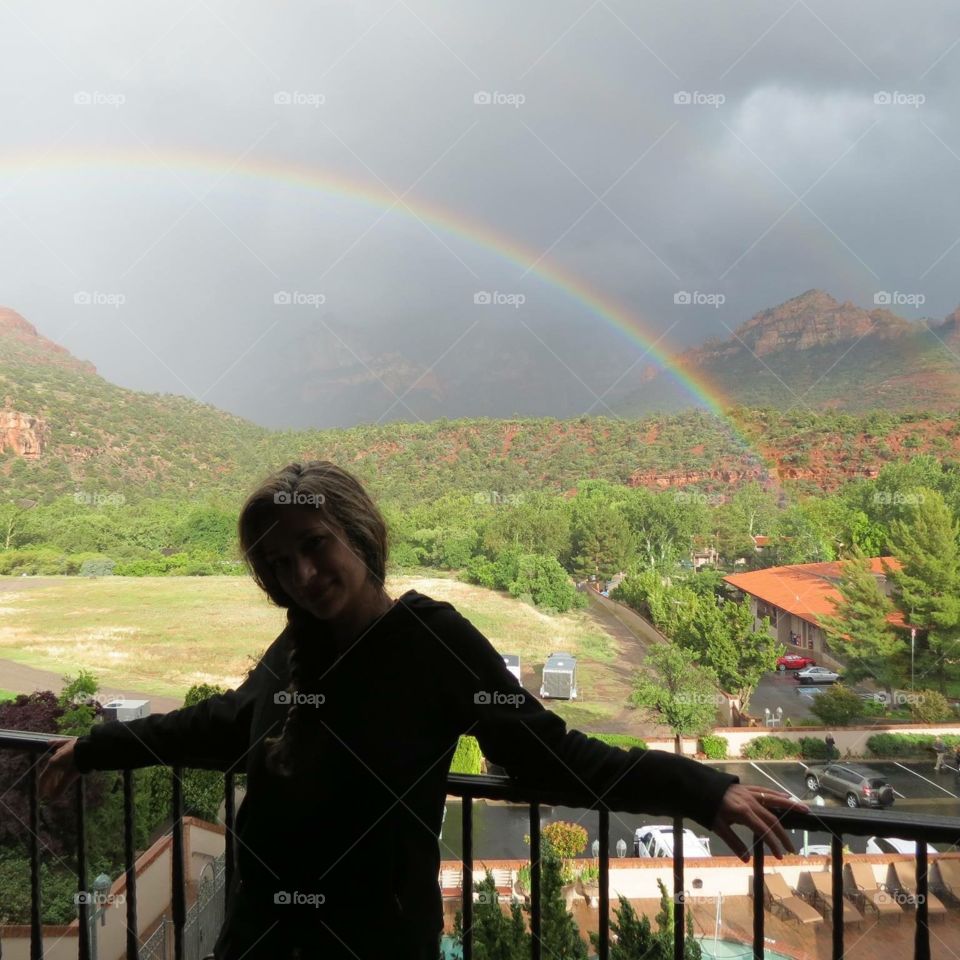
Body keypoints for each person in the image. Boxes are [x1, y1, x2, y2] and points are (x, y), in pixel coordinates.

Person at [39, 462, 808, 960]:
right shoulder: (296, 644)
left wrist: (704, 790)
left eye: (314, 545)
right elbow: (222, 724)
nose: (302, 574)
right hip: (262, 935)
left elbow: (556, 756)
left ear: (361, 535)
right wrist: (96, 747)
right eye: (278, 562)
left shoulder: (434, 641)